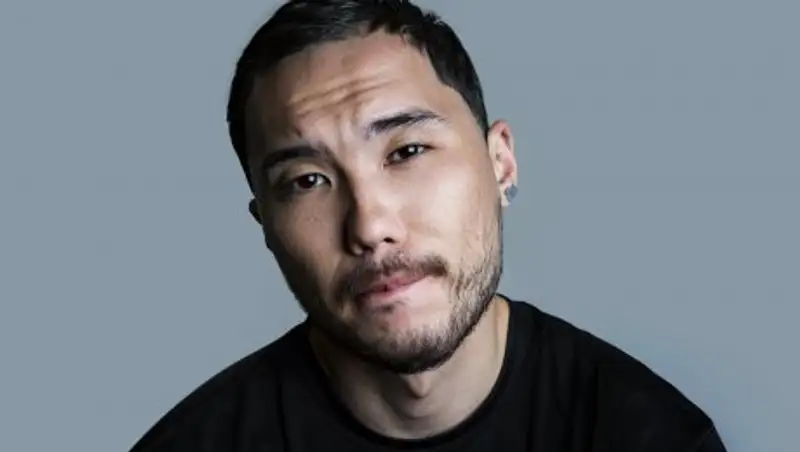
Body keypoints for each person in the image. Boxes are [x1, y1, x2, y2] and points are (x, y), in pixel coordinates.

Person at [129, 1, 727, 450]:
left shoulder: (649, 436)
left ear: (501, 164)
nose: (370, 226)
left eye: (407, 151)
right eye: (308, 180)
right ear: (266, 225)